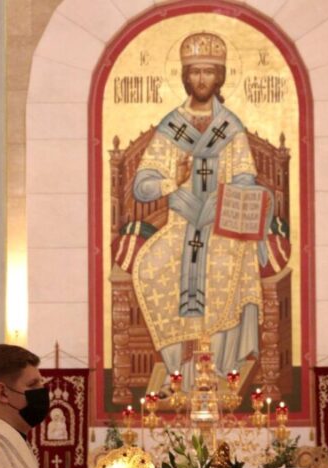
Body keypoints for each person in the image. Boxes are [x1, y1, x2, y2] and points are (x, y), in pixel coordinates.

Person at [132, 31, 272, 390]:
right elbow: (141, 185)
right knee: (150, 269)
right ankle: (179, 370)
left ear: (220, 77)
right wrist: (172, 182)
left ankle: (223, 369)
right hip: (180, 223)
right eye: (195, 72)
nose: (201, 79)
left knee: (230, 266)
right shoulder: (171, 127)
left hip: (221, 223)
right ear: (185, 76)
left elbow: (246, 176)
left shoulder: (231, 128)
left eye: (209, 72)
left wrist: (228, 196)